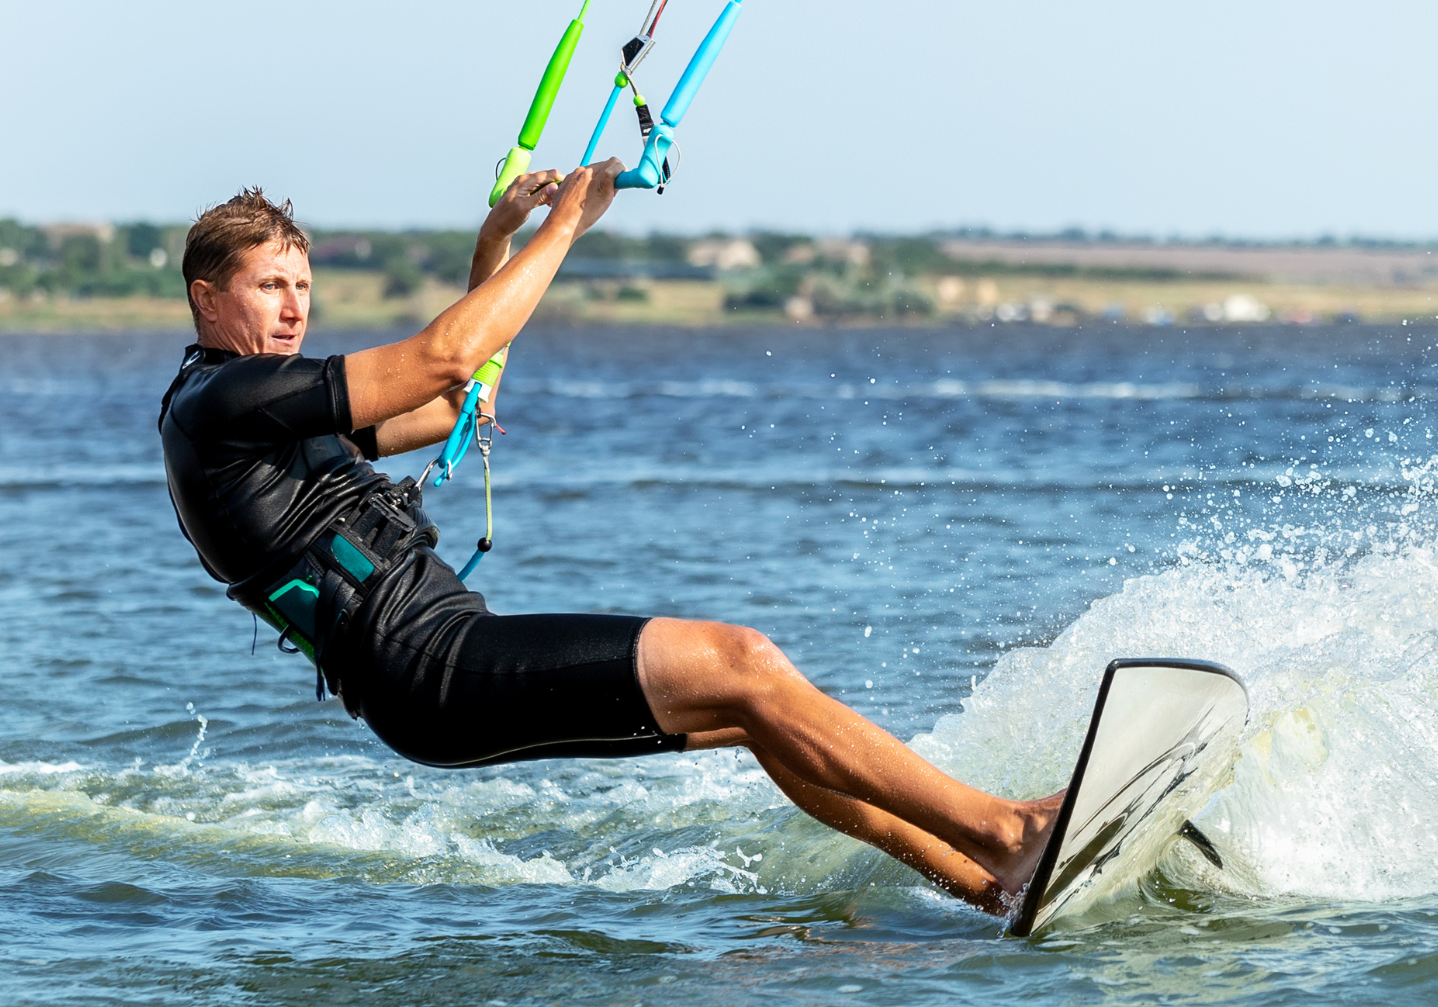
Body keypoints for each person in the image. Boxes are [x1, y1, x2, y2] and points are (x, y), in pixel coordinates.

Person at [159, 163, 1059, 913]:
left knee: (751, 710)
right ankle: (1009, 833)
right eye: (269, 286)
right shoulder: (224, 405)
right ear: (208, 299)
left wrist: (495, 244)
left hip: (436, 663)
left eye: (302, 286)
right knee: (742, 659)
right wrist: (567, 231)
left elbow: (451, 402)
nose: (292, 309)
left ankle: (984, 884)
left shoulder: (257, 412)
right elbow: (442, 356)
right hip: (426, 666)